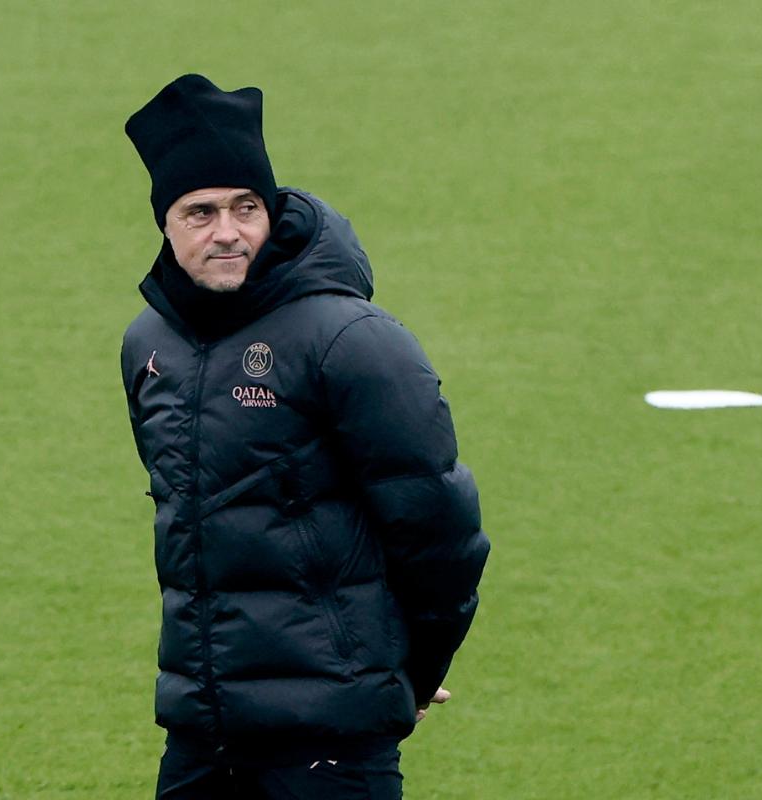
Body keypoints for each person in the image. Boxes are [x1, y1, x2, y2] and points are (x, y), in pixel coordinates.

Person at [120, 74, 491, 799]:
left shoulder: (350, 340)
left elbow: (439, 528)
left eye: (245, 207)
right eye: (199, 212)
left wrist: (420, 666)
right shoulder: (149, 344)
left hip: (331, 738)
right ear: (165, 224)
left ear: (272, 210)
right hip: (203, 729)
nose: (226, 231)